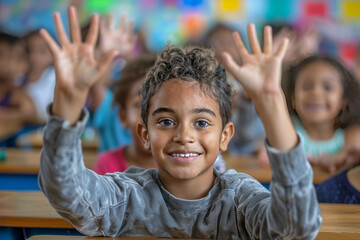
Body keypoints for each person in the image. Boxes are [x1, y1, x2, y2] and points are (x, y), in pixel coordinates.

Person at [38, 7, 321, 238]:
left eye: (201, 123)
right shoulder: (126, 199)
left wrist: (271, 102)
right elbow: (66, 192)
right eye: (165, 121)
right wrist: (68, 102)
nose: (184, 135)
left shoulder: (240, 200)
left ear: (225, 135)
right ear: (144, 133)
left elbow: (296, 228)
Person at [282, 55, 360, 173]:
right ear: (293, 98)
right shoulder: (287, 128)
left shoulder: (351, 134)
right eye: (307, 86)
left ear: (343, 100)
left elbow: (352, 155)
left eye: (328, 87)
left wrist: (337, 159)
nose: (316, 93)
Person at [93, 54, 158, 174]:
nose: (149, 115)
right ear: (123, 117)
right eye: (139, 105)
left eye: (161, 106)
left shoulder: (182, 165)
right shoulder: (108, 164)